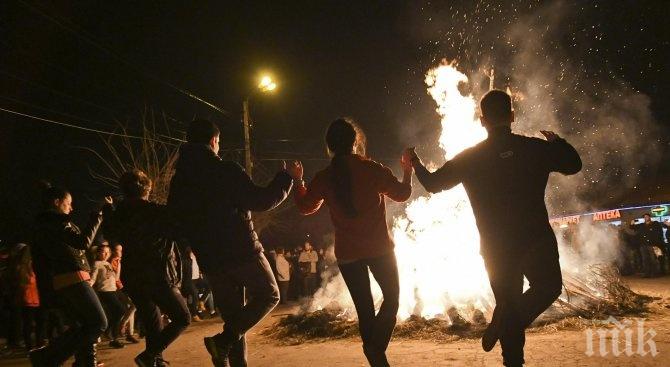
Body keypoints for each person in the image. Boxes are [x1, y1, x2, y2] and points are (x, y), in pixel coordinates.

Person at [405, 89, 582, 367]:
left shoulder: (470, 157)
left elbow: (433, 184)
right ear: (512, 115)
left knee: (508, 302)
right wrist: (557, 141)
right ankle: (507, 320)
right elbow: (574, 164)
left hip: (497, 247)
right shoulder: (534, 148)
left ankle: (509, 341)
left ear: (481, 119)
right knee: (548, 287)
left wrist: (414, 162)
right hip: (535, 239)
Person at [168, 119, 294, 366]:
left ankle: (225, 350)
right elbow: (260, 200)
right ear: (214, 141)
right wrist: (285, 178)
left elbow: (175, 219)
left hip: (211, 260)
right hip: (241, 251)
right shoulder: (224, 170)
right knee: (269, 294)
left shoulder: (180, 181)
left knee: (235, 319)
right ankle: (222, 342)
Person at [291, 117, 412, 366]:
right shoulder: (372, 169)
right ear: (355, 142)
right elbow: (402, 194)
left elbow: (305, 207)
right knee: (392, 299)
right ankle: (376, 350)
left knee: (365, 310)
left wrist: (298, 180)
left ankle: (375, 355)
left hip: (348, 254)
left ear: (329, 146)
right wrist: (408, 170)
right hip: (379, 249)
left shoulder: (325, 177)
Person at [104, 169, 190, 367]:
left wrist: (108, 210)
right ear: (147, 189)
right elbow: (178, 231)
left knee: (153, 322)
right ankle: (149, 355)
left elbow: (109, 232)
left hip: (133, 276)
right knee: (182, 317)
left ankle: (154, 362)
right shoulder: (155, 212)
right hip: (158, 274)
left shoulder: (119, 215)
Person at [29, 183, 111, 367]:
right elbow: (83, 242)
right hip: (73, 278)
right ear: (57, 202)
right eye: (68, 203)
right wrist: (96, 213)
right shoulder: (55, 222)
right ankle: (47, 357)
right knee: (99, 323)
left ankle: (86, 362)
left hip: (67, 279)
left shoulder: (46, 224)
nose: (71, 207)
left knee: (85, 324)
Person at [90, 245, 126, 349]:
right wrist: (88, 287)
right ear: (98, 253)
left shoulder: (107, 263)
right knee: (120, 310)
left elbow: (115, 278)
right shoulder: (96, 264)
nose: (106, 254)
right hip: (105, 291)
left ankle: (112, 336)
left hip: (113, 290)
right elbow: (93, 278)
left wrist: (118, 266)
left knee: (119, 311)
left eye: (107, 252)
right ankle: (109, 333)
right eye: (103, 252)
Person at [14, 244, 46, 351]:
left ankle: (35, 345)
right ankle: (35, 345)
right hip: (30, 297)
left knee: (32, 322)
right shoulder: (26, 267)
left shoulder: (22, 266)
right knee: (31, 322)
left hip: (32, 297)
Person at [108, 244, 139, 344]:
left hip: (119, 286)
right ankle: (123, 326)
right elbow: (114, 278)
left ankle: (129, 333)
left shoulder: (118, 261)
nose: (121, 252)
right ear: (113, 251)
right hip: (114, 288)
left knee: (131, 307)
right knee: (133, 305)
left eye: (121, 250)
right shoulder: (111, 261)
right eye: (118, 250)